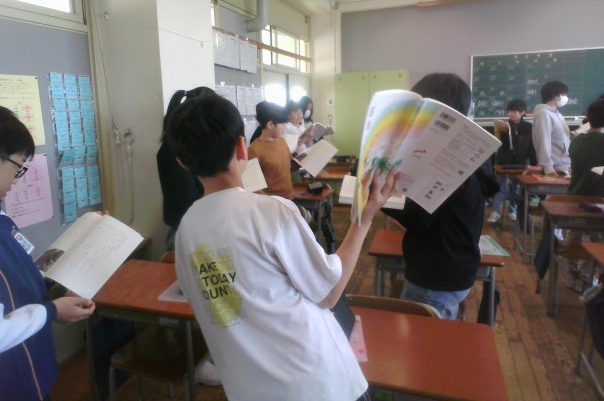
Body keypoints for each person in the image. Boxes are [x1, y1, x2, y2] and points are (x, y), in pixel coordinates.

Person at [166, 93, 399, 401]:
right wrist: (365, 218)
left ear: (182, 162)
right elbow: (329, 293)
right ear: (241, 147)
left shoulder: (185, 230)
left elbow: (220, 305)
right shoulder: (271, 213)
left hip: (249, 391)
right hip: (317, 385)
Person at [0, 105, 95, 401]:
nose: (16, 178)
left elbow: (15, 275)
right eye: (18, 167)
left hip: (27, 371)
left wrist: (57, 285)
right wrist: (52, 311)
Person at [382, 73, 499, 320]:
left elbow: (418, 218)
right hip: (455, 265)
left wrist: (379, 197)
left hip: (435, 275)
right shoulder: (465, 152)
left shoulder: (447, 161)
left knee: (422, 340)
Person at [156, 88, 215, 249]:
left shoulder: (191, 144)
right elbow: (186, 198)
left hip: (195, 224)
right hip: (186, 228)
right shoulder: (174, 149)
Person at [563, 98, 604, 292]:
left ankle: (572, 276)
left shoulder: (577, 139)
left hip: (574, 197)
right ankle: (587, 279)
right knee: (597, 241)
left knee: (574, 237)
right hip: (597, 201)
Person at [488, 99, 537, 223]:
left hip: (521, 163)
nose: (511, 114)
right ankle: (496, 211)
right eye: (509, 111)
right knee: (502, 187)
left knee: (517, 187)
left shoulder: (528, 127)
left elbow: (531, 147)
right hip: (505, 163)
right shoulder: (504, 126)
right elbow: (501, 145)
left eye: (514, 111)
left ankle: (512, 210)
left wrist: (534, 164)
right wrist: (503, 133)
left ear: (522, 112)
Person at [248, 101, 296, 199]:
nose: (285, 127)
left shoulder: (282, 141)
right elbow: (252, 186)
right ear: (270, 125)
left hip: (289, 197)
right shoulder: (254, 150)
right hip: (271, 202)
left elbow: (289, 165)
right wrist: (271, 201)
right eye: (282, 124)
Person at [532, 80, 571, 175]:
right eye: (564, 94)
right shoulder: (544, 114)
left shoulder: (557, 114)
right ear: (555, 95)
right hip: (555, 168)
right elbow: (543, 141)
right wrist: (548, 167)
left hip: (565, 165)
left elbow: (562, 137)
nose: (566, 97)